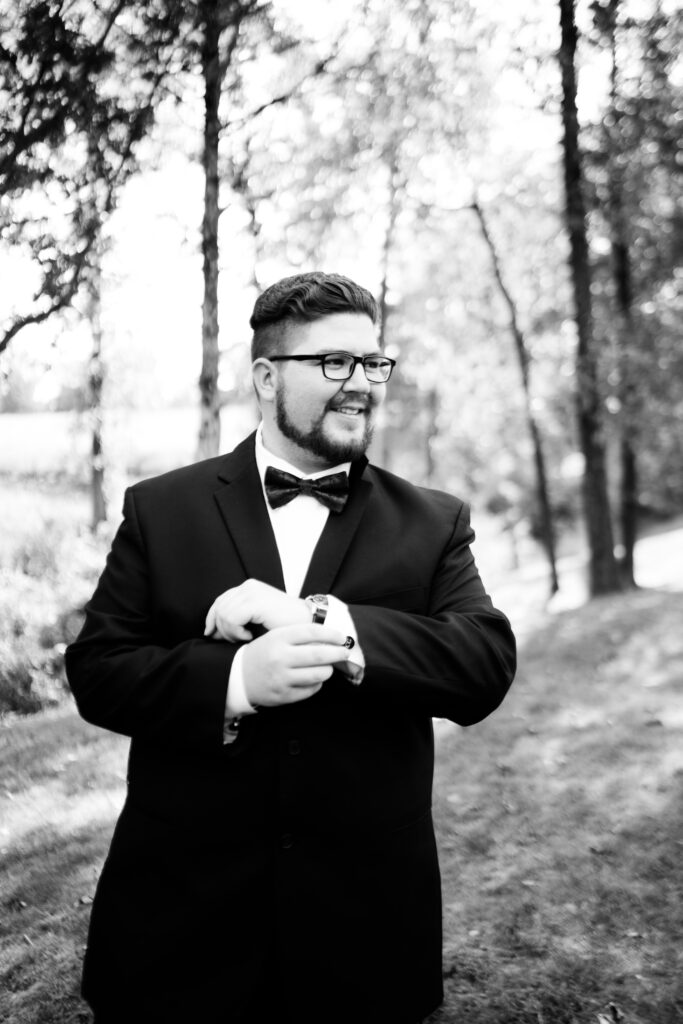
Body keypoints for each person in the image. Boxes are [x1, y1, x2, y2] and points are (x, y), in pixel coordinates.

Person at [66, 271, 516, 1024]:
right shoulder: (161, 508)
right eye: (333, 363)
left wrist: (324, 626)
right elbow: (99, 672)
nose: (361, 385)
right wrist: (235, 679)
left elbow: (481, 666)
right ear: (266, 377)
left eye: (372, 363)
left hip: (364, 929)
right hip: (181, 927)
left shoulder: (434, 522)